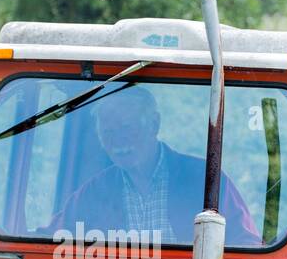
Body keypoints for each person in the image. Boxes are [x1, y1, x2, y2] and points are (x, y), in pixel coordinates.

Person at [56, 85, 260, 244]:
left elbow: (248, 246)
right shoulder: (93, 193)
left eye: (127, 128)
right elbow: (48, 240)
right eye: (108, 132)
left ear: (154, 124)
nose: (118, 141)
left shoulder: (205, 182)